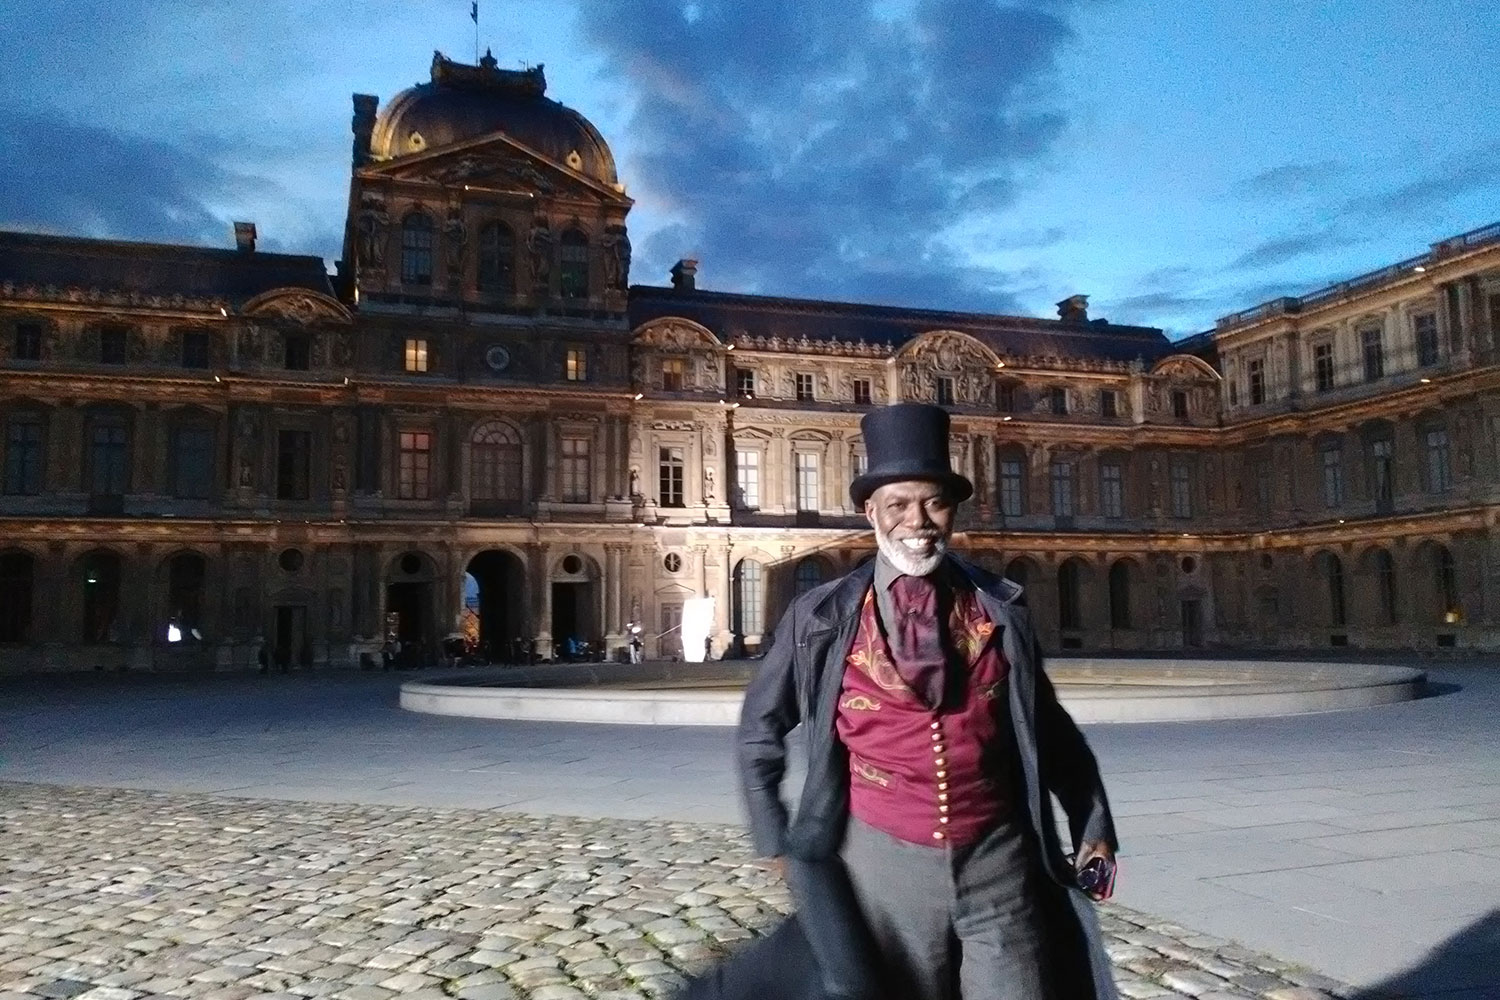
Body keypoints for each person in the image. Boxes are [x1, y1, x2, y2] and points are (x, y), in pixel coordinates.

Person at [736, 402, 1120, 1000]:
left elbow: (1045, 722)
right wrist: (773, 836)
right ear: (870, 511)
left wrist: (1092, 820)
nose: (918, 521)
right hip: (881, 872)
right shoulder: (820, 618)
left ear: (953, 508)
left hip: (1000, 864)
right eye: (898, 504)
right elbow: (761, 728)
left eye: (934, 502)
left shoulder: (1002, 608)